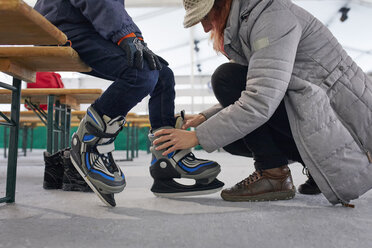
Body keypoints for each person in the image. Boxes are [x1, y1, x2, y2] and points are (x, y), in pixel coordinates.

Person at [153, 0, 372, 206]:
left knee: (225, 78)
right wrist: (205, 118)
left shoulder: (272, 19)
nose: (205, 28)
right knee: (230, 136)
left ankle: (273, 174)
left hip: (347, 128)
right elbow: (267, 87)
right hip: (320, 113)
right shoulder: (253, 17)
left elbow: (261, 99)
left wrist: (196, 137)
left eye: (206, 17)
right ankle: (312, 166)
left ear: (223, 3)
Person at [34, 0, 223, 207]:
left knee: (162, 74)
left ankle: (167, 157)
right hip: (59, 25)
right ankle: (89, 142)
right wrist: (127, 35)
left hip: (84, 24)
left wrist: (133, 38)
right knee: (141, 73)